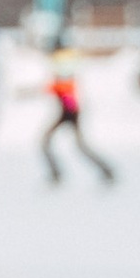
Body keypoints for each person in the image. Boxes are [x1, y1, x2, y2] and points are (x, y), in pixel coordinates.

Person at [39, 52, 115, 187]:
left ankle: (107, 170)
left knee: (80, 146)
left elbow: (66, 93)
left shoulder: (64, 73)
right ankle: (56, 173)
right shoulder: (60, 75)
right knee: (48, 143)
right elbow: (50, 89)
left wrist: (69, 107)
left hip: (71, 113)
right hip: (66, 113)